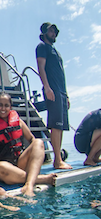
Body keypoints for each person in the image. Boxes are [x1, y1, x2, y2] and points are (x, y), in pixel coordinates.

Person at [0, 93, 56, 197]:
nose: (3, 108)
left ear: (10, 107)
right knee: (0, 167)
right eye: (0, 105)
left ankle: (29, 184)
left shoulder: (18, 122)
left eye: (6, 105)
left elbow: (31, 139)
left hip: (20, 162)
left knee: (38, 142)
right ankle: (40, 179)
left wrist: (33, 156)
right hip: (4, 167)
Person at [36, 22, 72, 169]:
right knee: (55, 125)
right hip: (53, 90)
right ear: (45, 32)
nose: (54, 34)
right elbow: (41, 67)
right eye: (51, 31)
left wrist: (66, 95)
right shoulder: (42, 47)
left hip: (61, 92)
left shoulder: (55, 51)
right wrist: (47, 87)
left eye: (55, 32)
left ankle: (59, 159)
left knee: (61, 126)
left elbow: (61, 75)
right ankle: (58, 161)